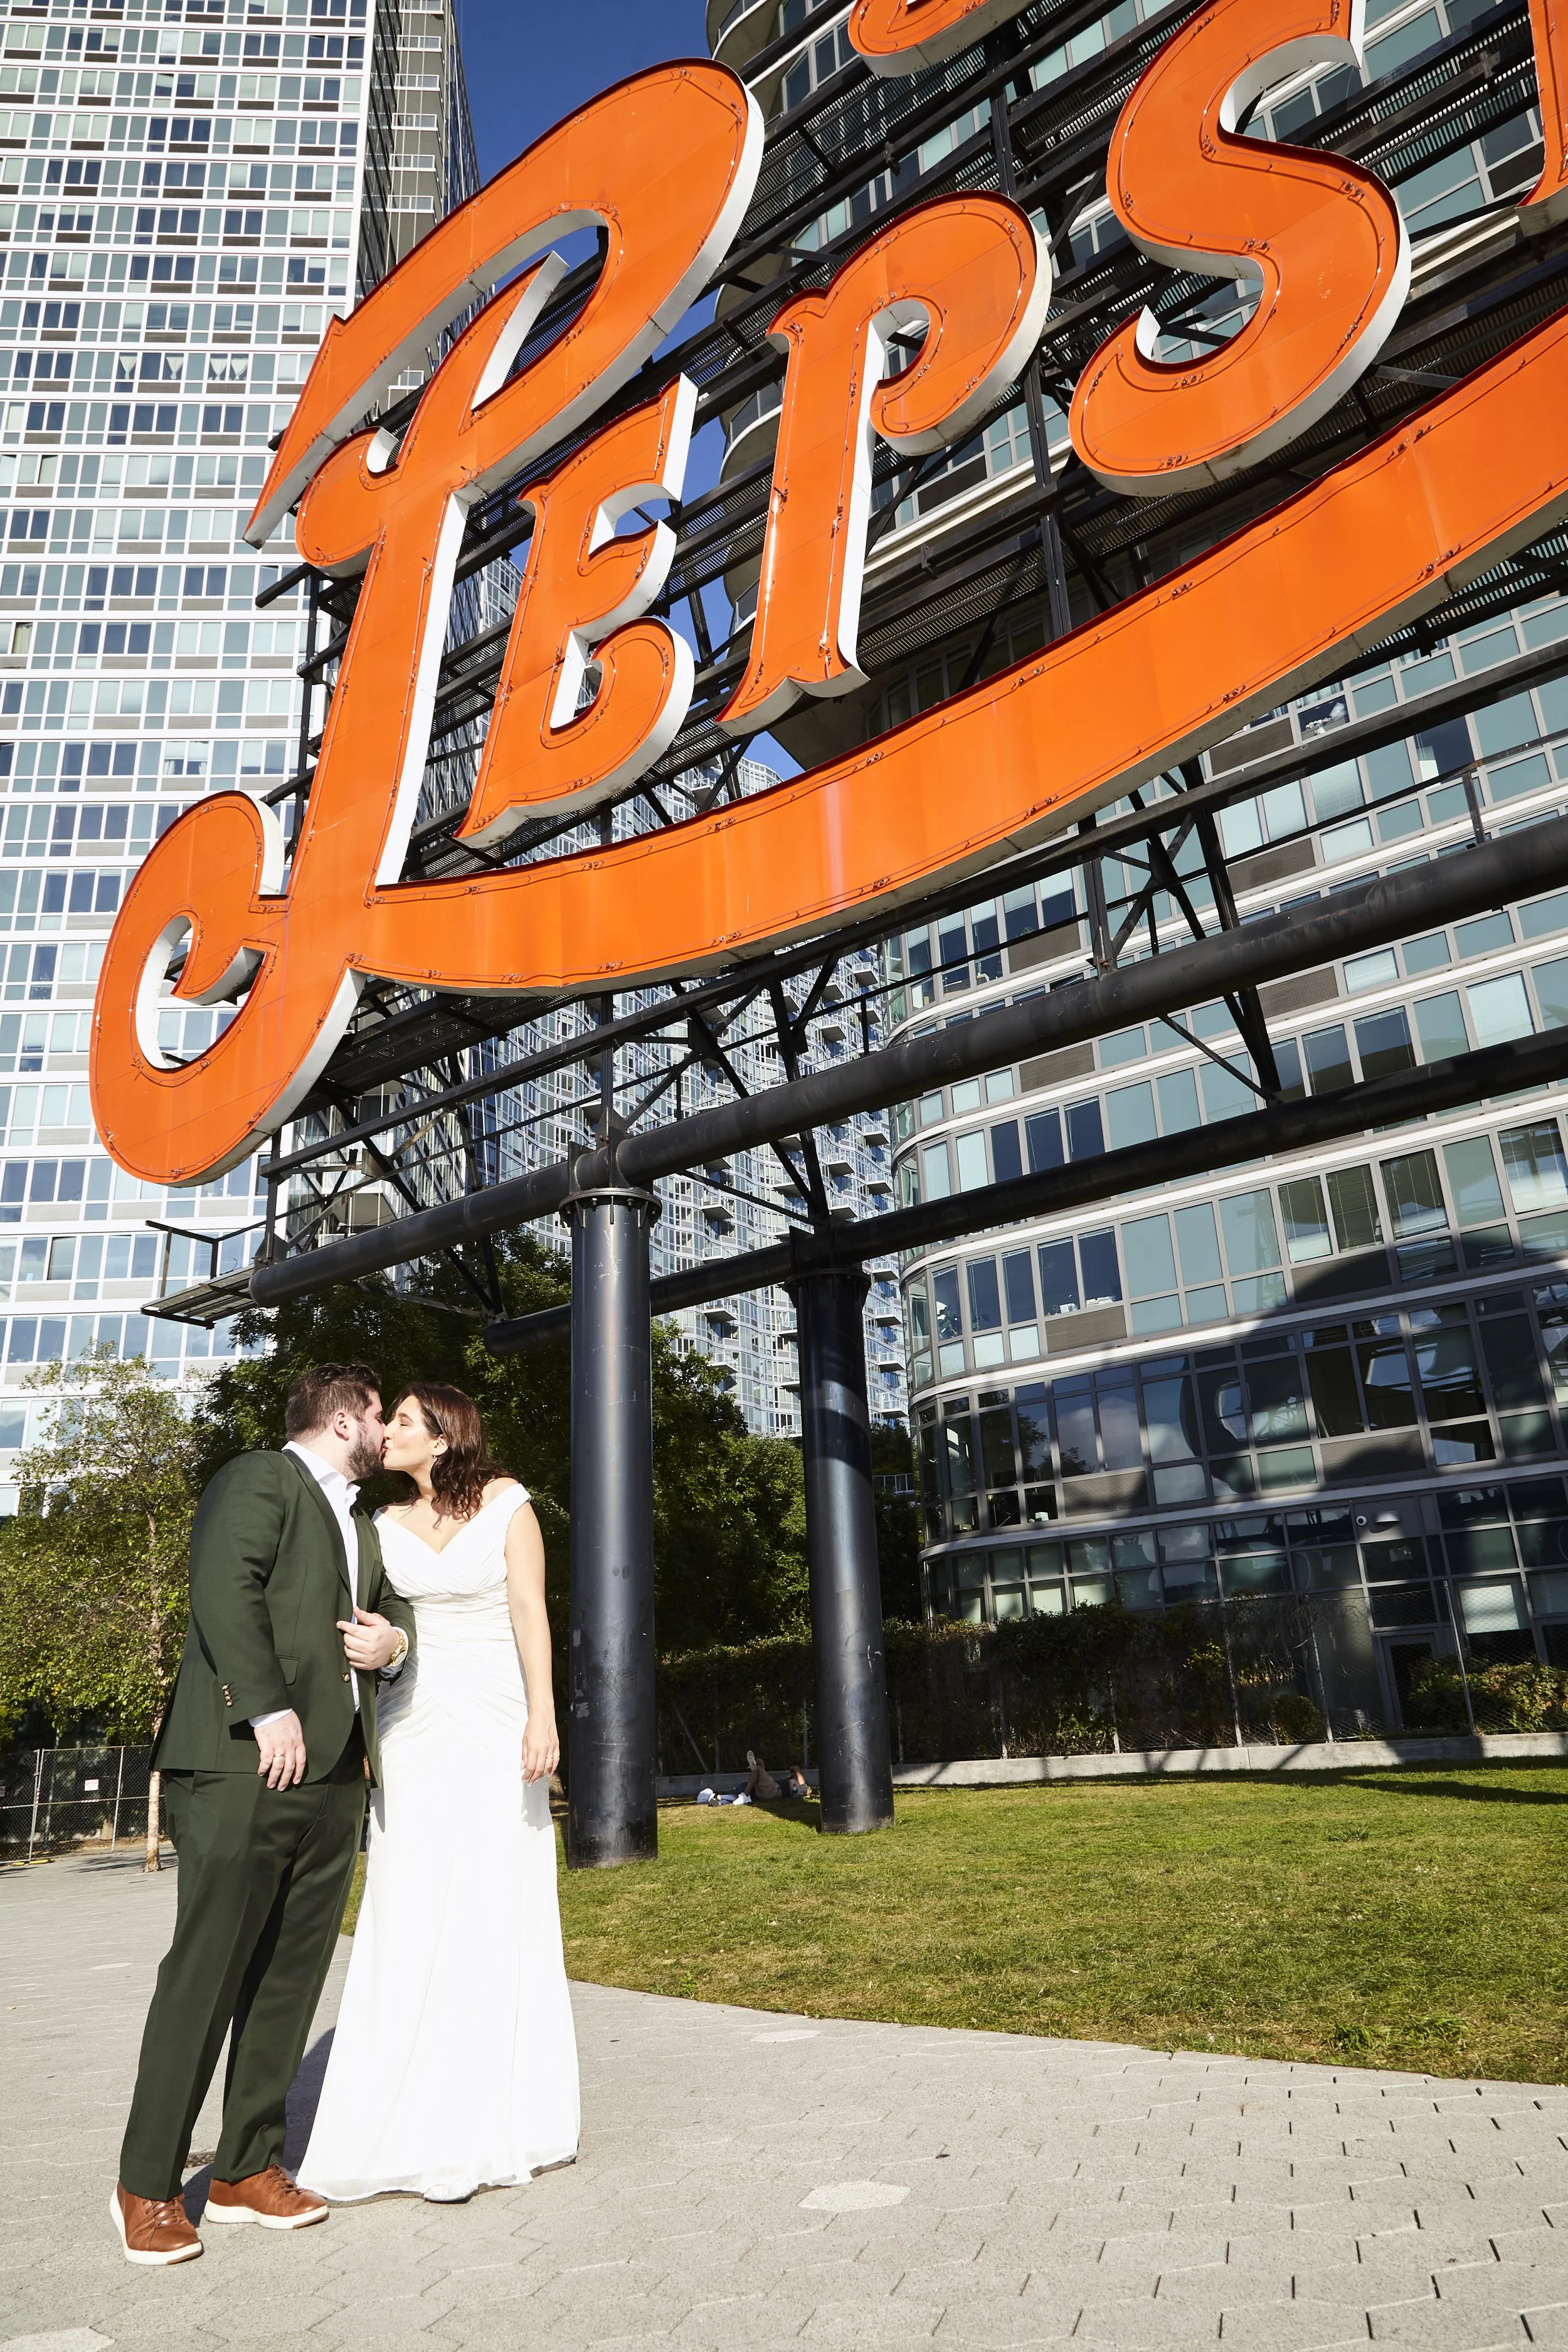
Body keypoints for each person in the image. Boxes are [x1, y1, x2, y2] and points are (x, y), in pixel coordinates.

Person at [113, 1364, 414, 2266]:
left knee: (289, 1978)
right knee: (206, 1974)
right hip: (246, 1761)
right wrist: (265, 1705)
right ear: (342, 1418)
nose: (386, 1429)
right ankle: (146, 2183)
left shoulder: (363, 1521)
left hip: (335, 1778)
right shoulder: (256, 1477)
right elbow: (224, 1588)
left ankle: (248, 2166)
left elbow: (390, 1608)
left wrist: (393, 1642)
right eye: (377, 1412)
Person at [299, 1382, 579, 2203]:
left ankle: (497, 2112)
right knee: (410, 1901)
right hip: (414, 1726)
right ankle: (401, 2113)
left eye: (407, 1422)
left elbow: (530, 1611)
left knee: (495, 1898)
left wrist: (543, 1718)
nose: (389, 1432)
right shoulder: (378, 1528)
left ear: (446, 1435)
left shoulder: (509, 1504)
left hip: (498, 1724)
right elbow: (378, 1623)